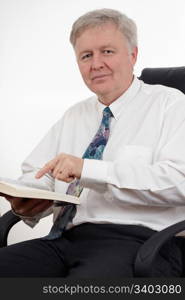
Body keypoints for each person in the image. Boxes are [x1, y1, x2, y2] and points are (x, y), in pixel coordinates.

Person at [0, 8, 185, 277]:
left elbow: (179, 181)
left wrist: (88, 169)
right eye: (86, 56)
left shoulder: (173, 105)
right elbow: (40, 173)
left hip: (138, 244)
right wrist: (27, 200)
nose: (95, 63)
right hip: (62, 241)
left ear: (133, 55)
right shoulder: (75, 115)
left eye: (107, 51)